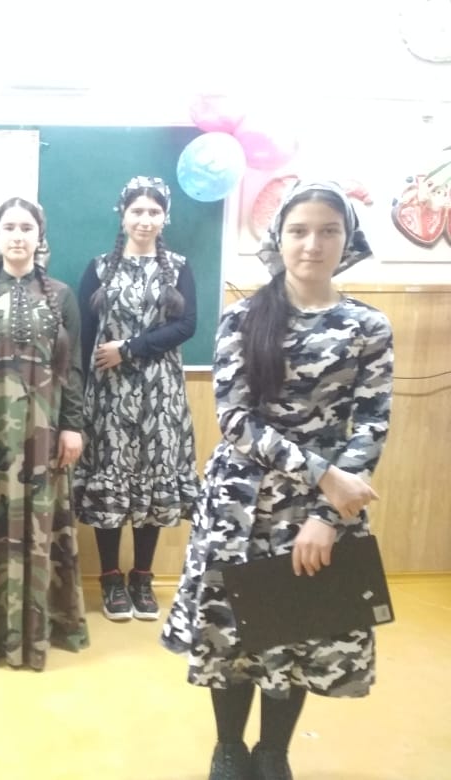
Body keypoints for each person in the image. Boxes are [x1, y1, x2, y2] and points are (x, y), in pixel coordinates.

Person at [161, 181, 394, 780]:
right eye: (299, 231)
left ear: (348, 240)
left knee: (299, 629)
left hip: (320, 512)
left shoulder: (368, 325)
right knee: (231, 632)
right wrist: (323, 476)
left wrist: (328, 514)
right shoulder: (243, 318)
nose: (313, 244)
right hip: (240, 507)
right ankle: (229, 749)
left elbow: (371, 422)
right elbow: (236, 421)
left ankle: (273, 753)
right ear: (278, 239)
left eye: (328, 231)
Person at [0, 196, 89, 671]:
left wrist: (72, 425)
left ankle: (41, 629)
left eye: (26, 228)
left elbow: (73, 368)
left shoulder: (61, 296)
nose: (17, 236)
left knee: (42, 525)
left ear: (39, 236)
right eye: (9, 227)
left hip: (44, 433)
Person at [72, 175, 199, 622]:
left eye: (154, 212)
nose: (145, 220)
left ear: (165, 217)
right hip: (108, 396)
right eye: (137, 211)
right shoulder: (99, 268)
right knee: (110, 481)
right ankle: (110, 578)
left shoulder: (179, 267)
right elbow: (85, 336)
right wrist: (79, 397)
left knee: (153, 480)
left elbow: (187, 327)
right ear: (122, 215)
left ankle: (142, 577)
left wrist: (129, 348)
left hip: (160, 396)